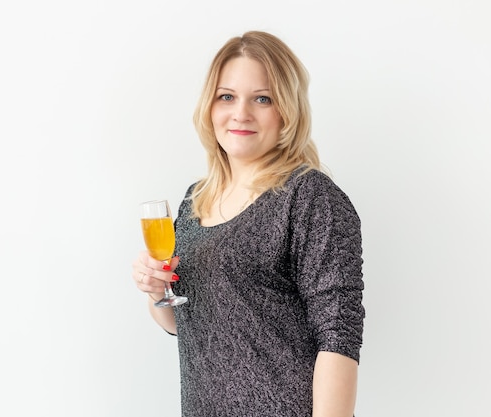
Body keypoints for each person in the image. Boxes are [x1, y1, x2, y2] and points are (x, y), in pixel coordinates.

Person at [132, 30, 365, 417]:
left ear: (287, 110)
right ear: (210, 105)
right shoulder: (194, 199)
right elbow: (181, 324)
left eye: (262, 98)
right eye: (227, 96)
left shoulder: (309, 197)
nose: (241, 113)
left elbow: (338, 338)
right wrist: (155, 291)